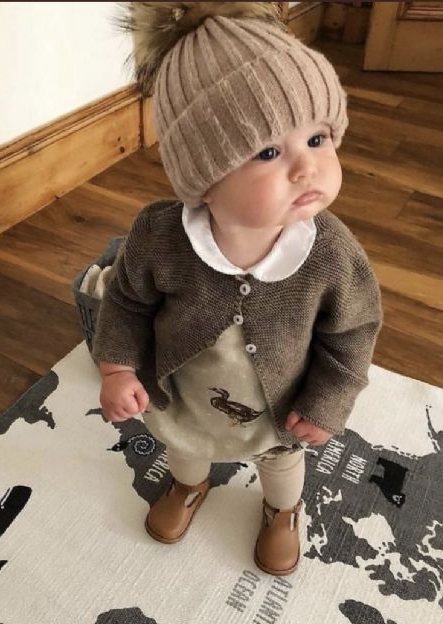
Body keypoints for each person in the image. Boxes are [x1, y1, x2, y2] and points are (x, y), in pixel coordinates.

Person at [93, 2, 383, 577]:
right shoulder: (160, 237)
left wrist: (327, 402)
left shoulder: (329, 252)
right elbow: (126, 301)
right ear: (204, 177)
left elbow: (353, 331)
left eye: (318, 138)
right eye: (270, 152)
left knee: (282, 467)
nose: (307, 168)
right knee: (185, 449)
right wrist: (118, 369)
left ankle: (282, 512)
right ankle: (188, 487)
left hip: (279, 412)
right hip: (188, 400)